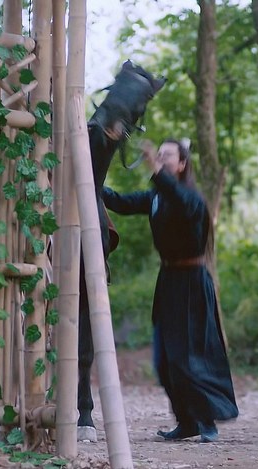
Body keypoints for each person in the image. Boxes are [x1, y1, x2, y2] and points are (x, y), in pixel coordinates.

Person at [102, 138, 239, 443]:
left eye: (167, 156)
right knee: (163, 360)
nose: (161, 159)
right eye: (159, 155)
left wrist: (155, 168)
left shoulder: (190, 198)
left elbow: (179, 199)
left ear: (182, 164)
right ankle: (186, 421)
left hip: (192, 282)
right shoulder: (156, 197)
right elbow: (121, 202)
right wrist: (91, 180)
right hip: (168, 281)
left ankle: (205, 420)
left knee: (188, 356)